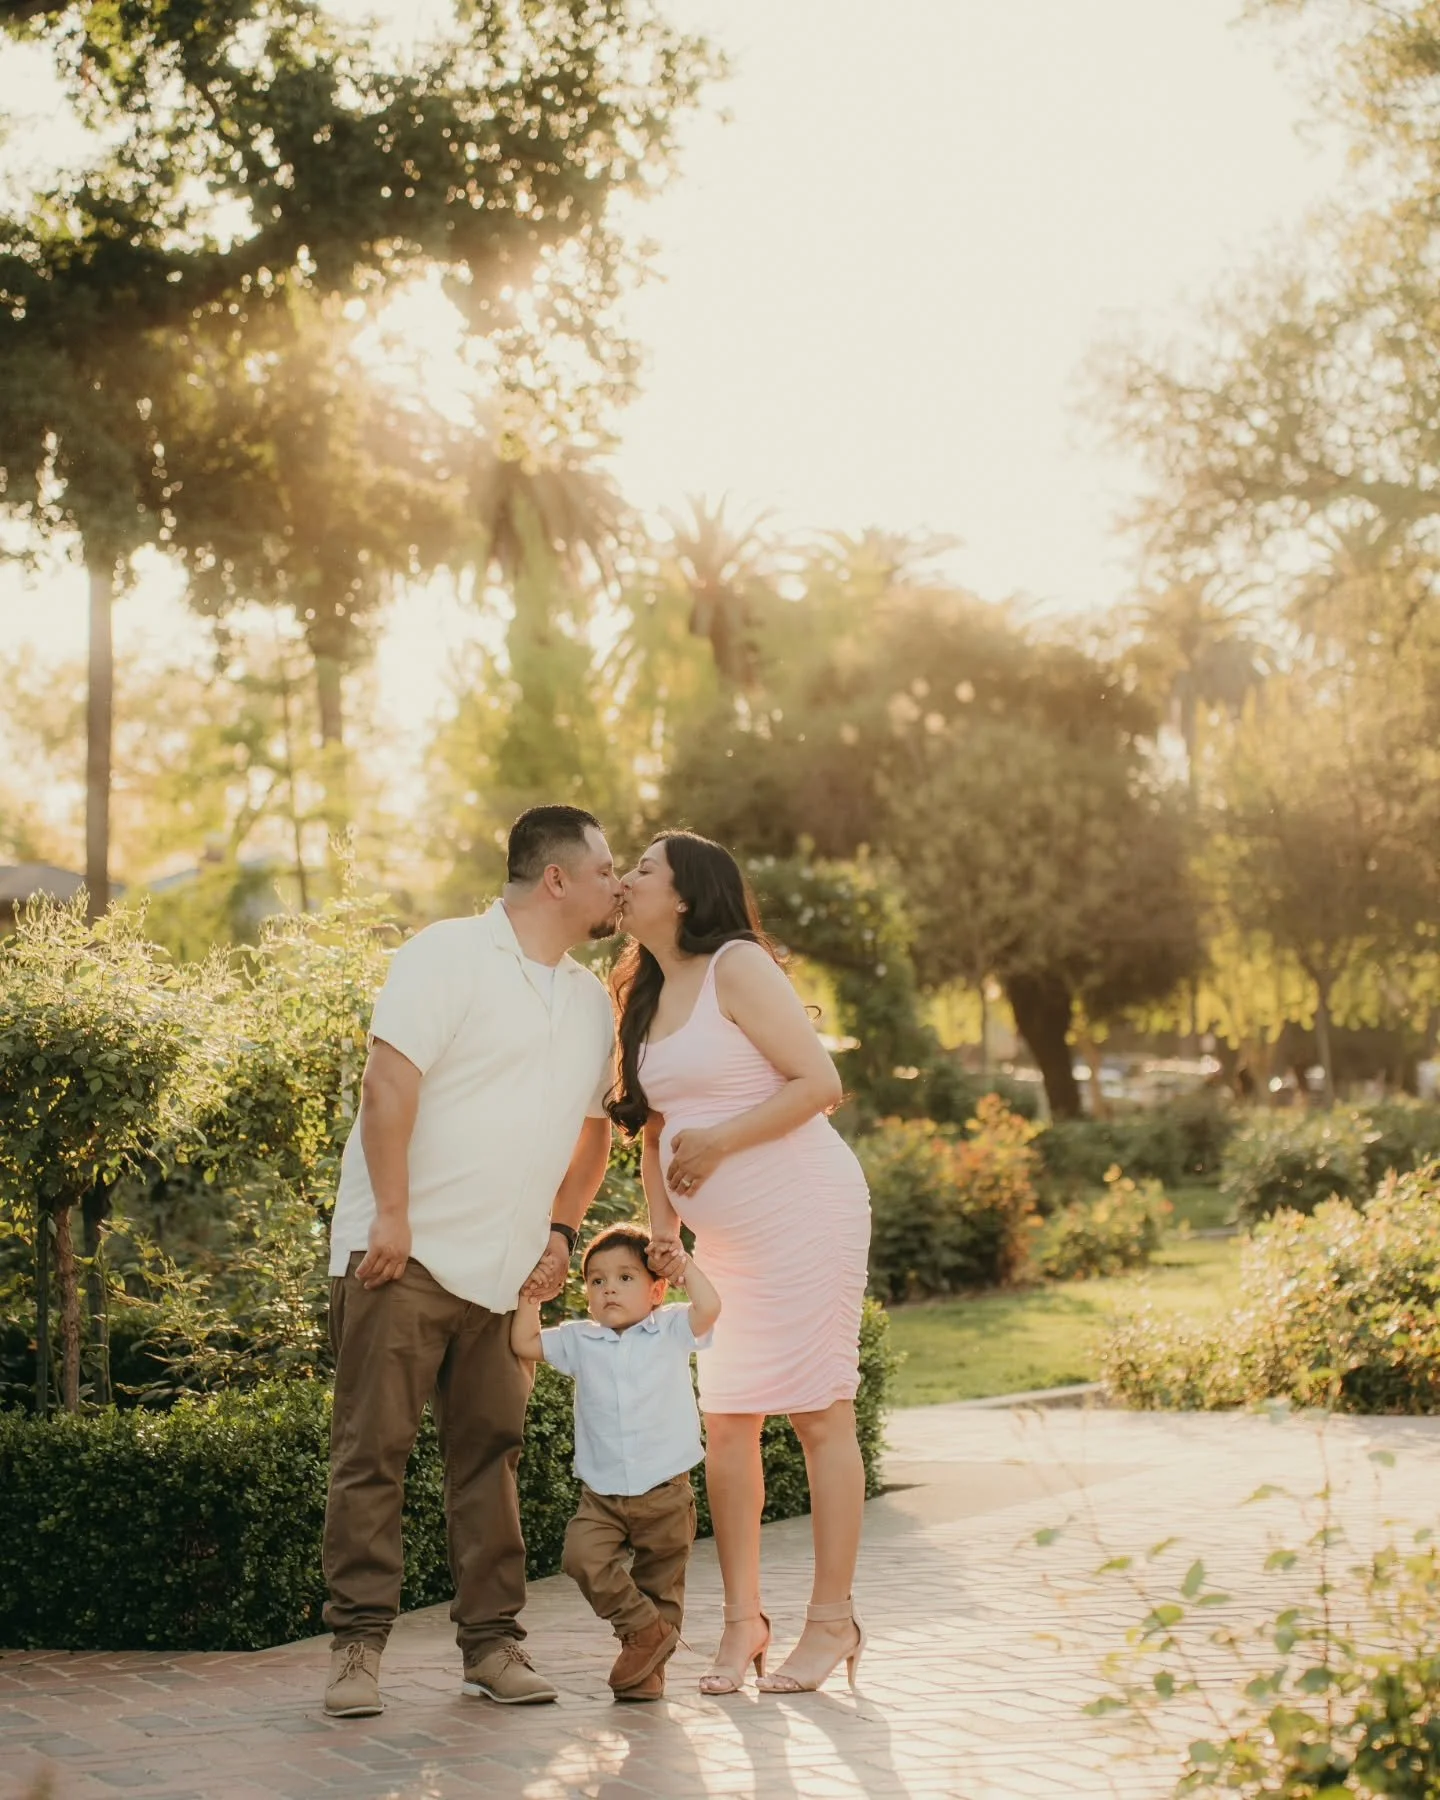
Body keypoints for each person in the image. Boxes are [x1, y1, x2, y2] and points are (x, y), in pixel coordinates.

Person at [321, 805, 623, 1719]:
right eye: (607, 866)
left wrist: (563, 1234)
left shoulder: (586, 1000)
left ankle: (492, 1648)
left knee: (488, 1458)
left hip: (506, 1271)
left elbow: (593, 1134)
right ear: (556, 878)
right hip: (399, 1255)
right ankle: (355, 1650)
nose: (619, 882)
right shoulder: (444, 955)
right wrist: (396, 1218)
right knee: (373, 1454)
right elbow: (387, 1084)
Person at [609, 831, 872, 1696]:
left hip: (805, 1213)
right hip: (723, 1246)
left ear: (684, 893)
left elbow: (817, 1082)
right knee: (726, 1424)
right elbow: (652, 1130)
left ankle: (831, 1622)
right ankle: (743, 1622)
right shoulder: (643, 993)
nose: (627, 880)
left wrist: (718, 1140)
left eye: (642, 869)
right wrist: (664, 1229)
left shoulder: (737, 967)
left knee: (820, 1415)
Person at [510, 1223, 722, 1701]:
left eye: (625, 1278)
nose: (609, 1288)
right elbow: (525, 1343)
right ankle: (644, 1630)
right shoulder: (579, 1340)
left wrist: (684, 1265)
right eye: (597, 1280)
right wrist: (531, 1295)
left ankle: (646, 1673)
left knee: (660, 1585)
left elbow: (710, 1308)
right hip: (602, 1495)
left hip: (666, 1491)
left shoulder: (669, 1328)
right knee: (581, 1557)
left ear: (655, 1290)